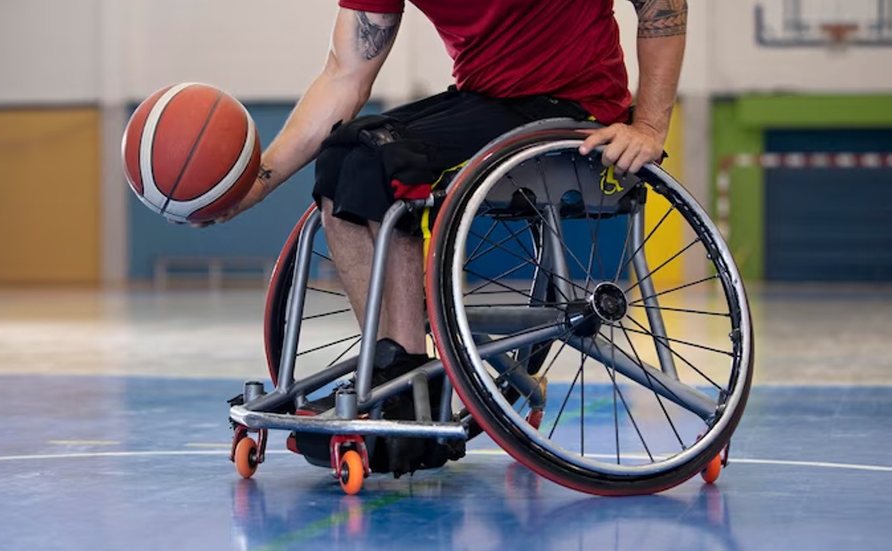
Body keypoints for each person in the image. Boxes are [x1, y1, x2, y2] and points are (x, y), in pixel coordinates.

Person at [219, 0, 687, 476]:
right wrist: (255, 184)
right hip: (486, 105)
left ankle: (406, 389)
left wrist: (649, 125)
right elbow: (345, 75)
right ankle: (395, 370)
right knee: (342, 158)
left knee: (379, 161)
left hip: (576, 110)